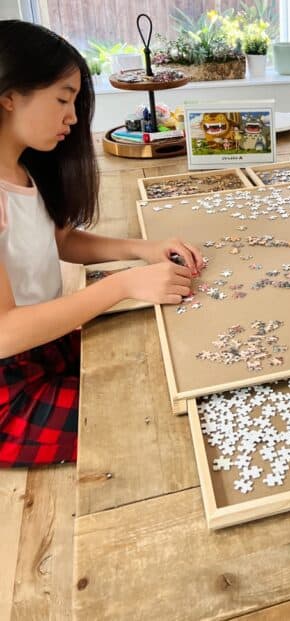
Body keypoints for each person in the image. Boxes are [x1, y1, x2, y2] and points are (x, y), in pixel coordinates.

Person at [0, 20, 204, 467]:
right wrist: (123, 285)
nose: (73, 118)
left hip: (47, 345)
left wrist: (141, 249)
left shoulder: (21, 168)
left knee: (165, 371)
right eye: (62, 99)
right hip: (8, 390)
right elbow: (4, 331)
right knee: (150, 423)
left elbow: (60, 242)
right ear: (9, 95)